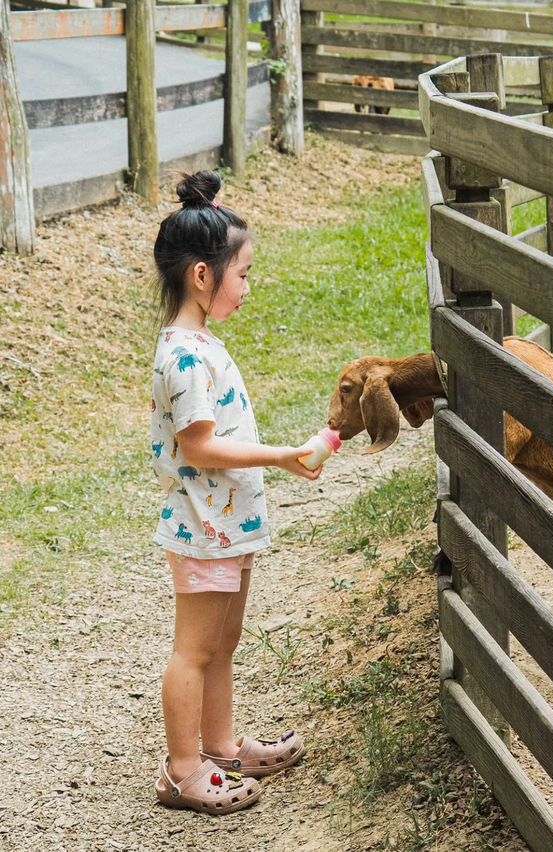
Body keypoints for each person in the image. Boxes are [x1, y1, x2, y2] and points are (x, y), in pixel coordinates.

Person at [150, 170, 321, 814]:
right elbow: (198, 446)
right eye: (242, 273)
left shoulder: (200, 344)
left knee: (224, 643)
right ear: (202, 276)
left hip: (224, 524)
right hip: (203, 527)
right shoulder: (186, 357)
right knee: (194, 649)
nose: (248, 286)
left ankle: (220, 748)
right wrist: (279, 455)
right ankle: (183, 770)